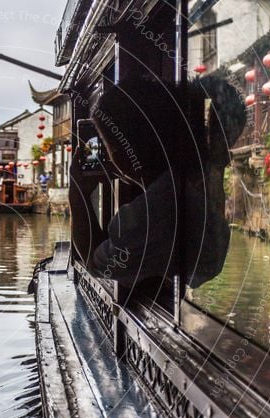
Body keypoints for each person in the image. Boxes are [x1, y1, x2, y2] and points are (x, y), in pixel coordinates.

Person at [70, 76, 246, 288]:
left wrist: (77, 193)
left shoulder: (148, 215)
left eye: (107, 145)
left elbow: (96, 264)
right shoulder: (192, 178)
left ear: (119, 152)